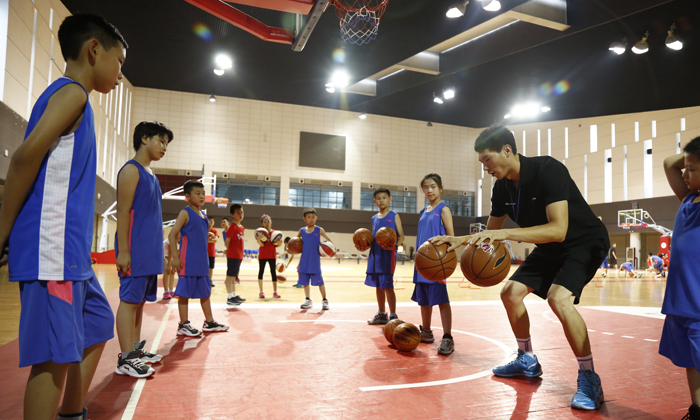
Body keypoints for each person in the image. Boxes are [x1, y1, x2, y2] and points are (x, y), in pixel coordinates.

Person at [0, 13, 126, 420]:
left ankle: (72, 413)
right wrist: (2, 234)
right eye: (119, 61)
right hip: (52, 250)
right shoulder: (72, 94)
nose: (120, 73)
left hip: (71, 256)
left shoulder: (76, 101)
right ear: (94, 50)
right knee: (53, 357)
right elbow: (22, 161)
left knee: (98, 323)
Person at [435, 125, 608, 410]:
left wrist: (506, 235)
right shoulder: (502, 187)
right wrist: (460, 240)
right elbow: (491, 233)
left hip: (584, 242)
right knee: (510, 292)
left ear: (507, 150)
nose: (485, 168)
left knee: (558, 298)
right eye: (481, 163)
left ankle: (589, 377)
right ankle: (526, 359)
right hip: (551, 248)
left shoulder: (547, 169)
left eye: (487, 160)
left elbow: (559, 229)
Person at [114, 121, 173, 378]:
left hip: (149, 251)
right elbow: (123, 213)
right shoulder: (131, 170)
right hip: (134, 251)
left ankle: (135, 351)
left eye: (166, 144)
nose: (164, 148)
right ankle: (125, 359)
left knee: (138, 303)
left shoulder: (152, 175)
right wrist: (124, 251)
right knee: (128, 302)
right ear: (145, 138)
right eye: (161, 141)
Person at [660, 137, 700, 419]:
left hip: (699, 305)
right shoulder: (687, 198)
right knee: (691, 363)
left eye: (693, 169)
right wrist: (690, 157)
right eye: (685, 168)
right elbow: (668, 163)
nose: (684, 173)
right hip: (679, 304)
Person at [169, 180, 229, 336]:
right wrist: (175, 258)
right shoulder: (185, 212)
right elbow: (172, 234)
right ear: (187, 196)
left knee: (205, 292)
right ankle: (183, 324)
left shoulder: (203, 214)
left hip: (202, 262)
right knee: (184, 293)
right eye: (198, 193)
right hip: (188, 261)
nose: (202, 196)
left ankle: (209, 322)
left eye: (203, 193)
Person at [413, 173, 455, 355]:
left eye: (433, 187)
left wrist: (445, 259)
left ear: (440, 188)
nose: (429, 190)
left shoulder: (443, 209)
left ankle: (447, 337)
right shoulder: (423, 212)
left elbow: (451, 238)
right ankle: (427, 331)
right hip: (422, 263)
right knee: (424, 300)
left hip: (437, 264)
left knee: (441, 300)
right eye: (425, 187)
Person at [365, 188, 405, 325]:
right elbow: (374, 237)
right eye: (379, 198)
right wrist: (364, 243)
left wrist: (396, 246)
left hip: (387, 255)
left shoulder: (394, 216)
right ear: (375, 201)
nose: (381, 200)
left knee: (388, 286)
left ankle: (393, 315)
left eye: (384, 197)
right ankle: (382, 314)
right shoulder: (374, 218)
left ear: (389, 199)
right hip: (375, 255)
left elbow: (401, 236)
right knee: (378, 286)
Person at [298, 208, 333, 310]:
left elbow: (328, 241)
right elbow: (295, 243)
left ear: (316, 218)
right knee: (305, 282)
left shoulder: (319, 230)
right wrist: (290, 249)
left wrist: (332, 250)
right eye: (309, 217)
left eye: (313, 217)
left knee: (320, 282)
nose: (311, 219)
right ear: (304, 219)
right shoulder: (301, 231)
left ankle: (324, 300)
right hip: (304, 261)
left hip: (314, 262)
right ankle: (308, 299)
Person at [225, 204, 246, 305]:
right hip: (233, 255)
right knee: (230, 276)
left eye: (241, 212)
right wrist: (229, 250)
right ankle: (230, 297)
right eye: (238, 213)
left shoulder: (241, 227)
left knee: (234, 277)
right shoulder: (232, 227)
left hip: (238, 256)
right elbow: (227, 242)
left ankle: (234, 295)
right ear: (232, 215)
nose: (241, 215)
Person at [257, 214, 281, 298]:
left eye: (268, 222)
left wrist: (280, 242)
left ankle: (275, 291)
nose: (267, 223)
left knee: (273, 273)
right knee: (261, 272)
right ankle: (261, 291)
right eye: (265, 222)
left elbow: (277, 245)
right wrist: (258, 240)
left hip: (272, 254)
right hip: (263, 254)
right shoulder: (260, 233)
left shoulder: (274, 233)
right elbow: (262, 245)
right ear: (262, 223)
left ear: (271, 222)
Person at [162, 232, 179, 299]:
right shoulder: (171, 238)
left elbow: (177, 251)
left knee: (172, 272)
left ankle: (171, 290)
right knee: (167, 271)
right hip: (165, 256)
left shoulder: (180, 240)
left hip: (171, 257)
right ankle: (166, 292)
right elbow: (170, 251)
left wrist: (175, 261)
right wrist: (169, 264)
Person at [207, 217, 219, 287]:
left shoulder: (215, 230)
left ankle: (210, 280)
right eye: (209, 222)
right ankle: (204, 280)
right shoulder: (204, 230)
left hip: (211, 253)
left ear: (213, 223)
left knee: (211, 267)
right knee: (204, 267)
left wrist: (206, 240)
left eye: (211, 222)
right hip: (204, 253)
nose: (210, 224)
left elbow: (215, 240)